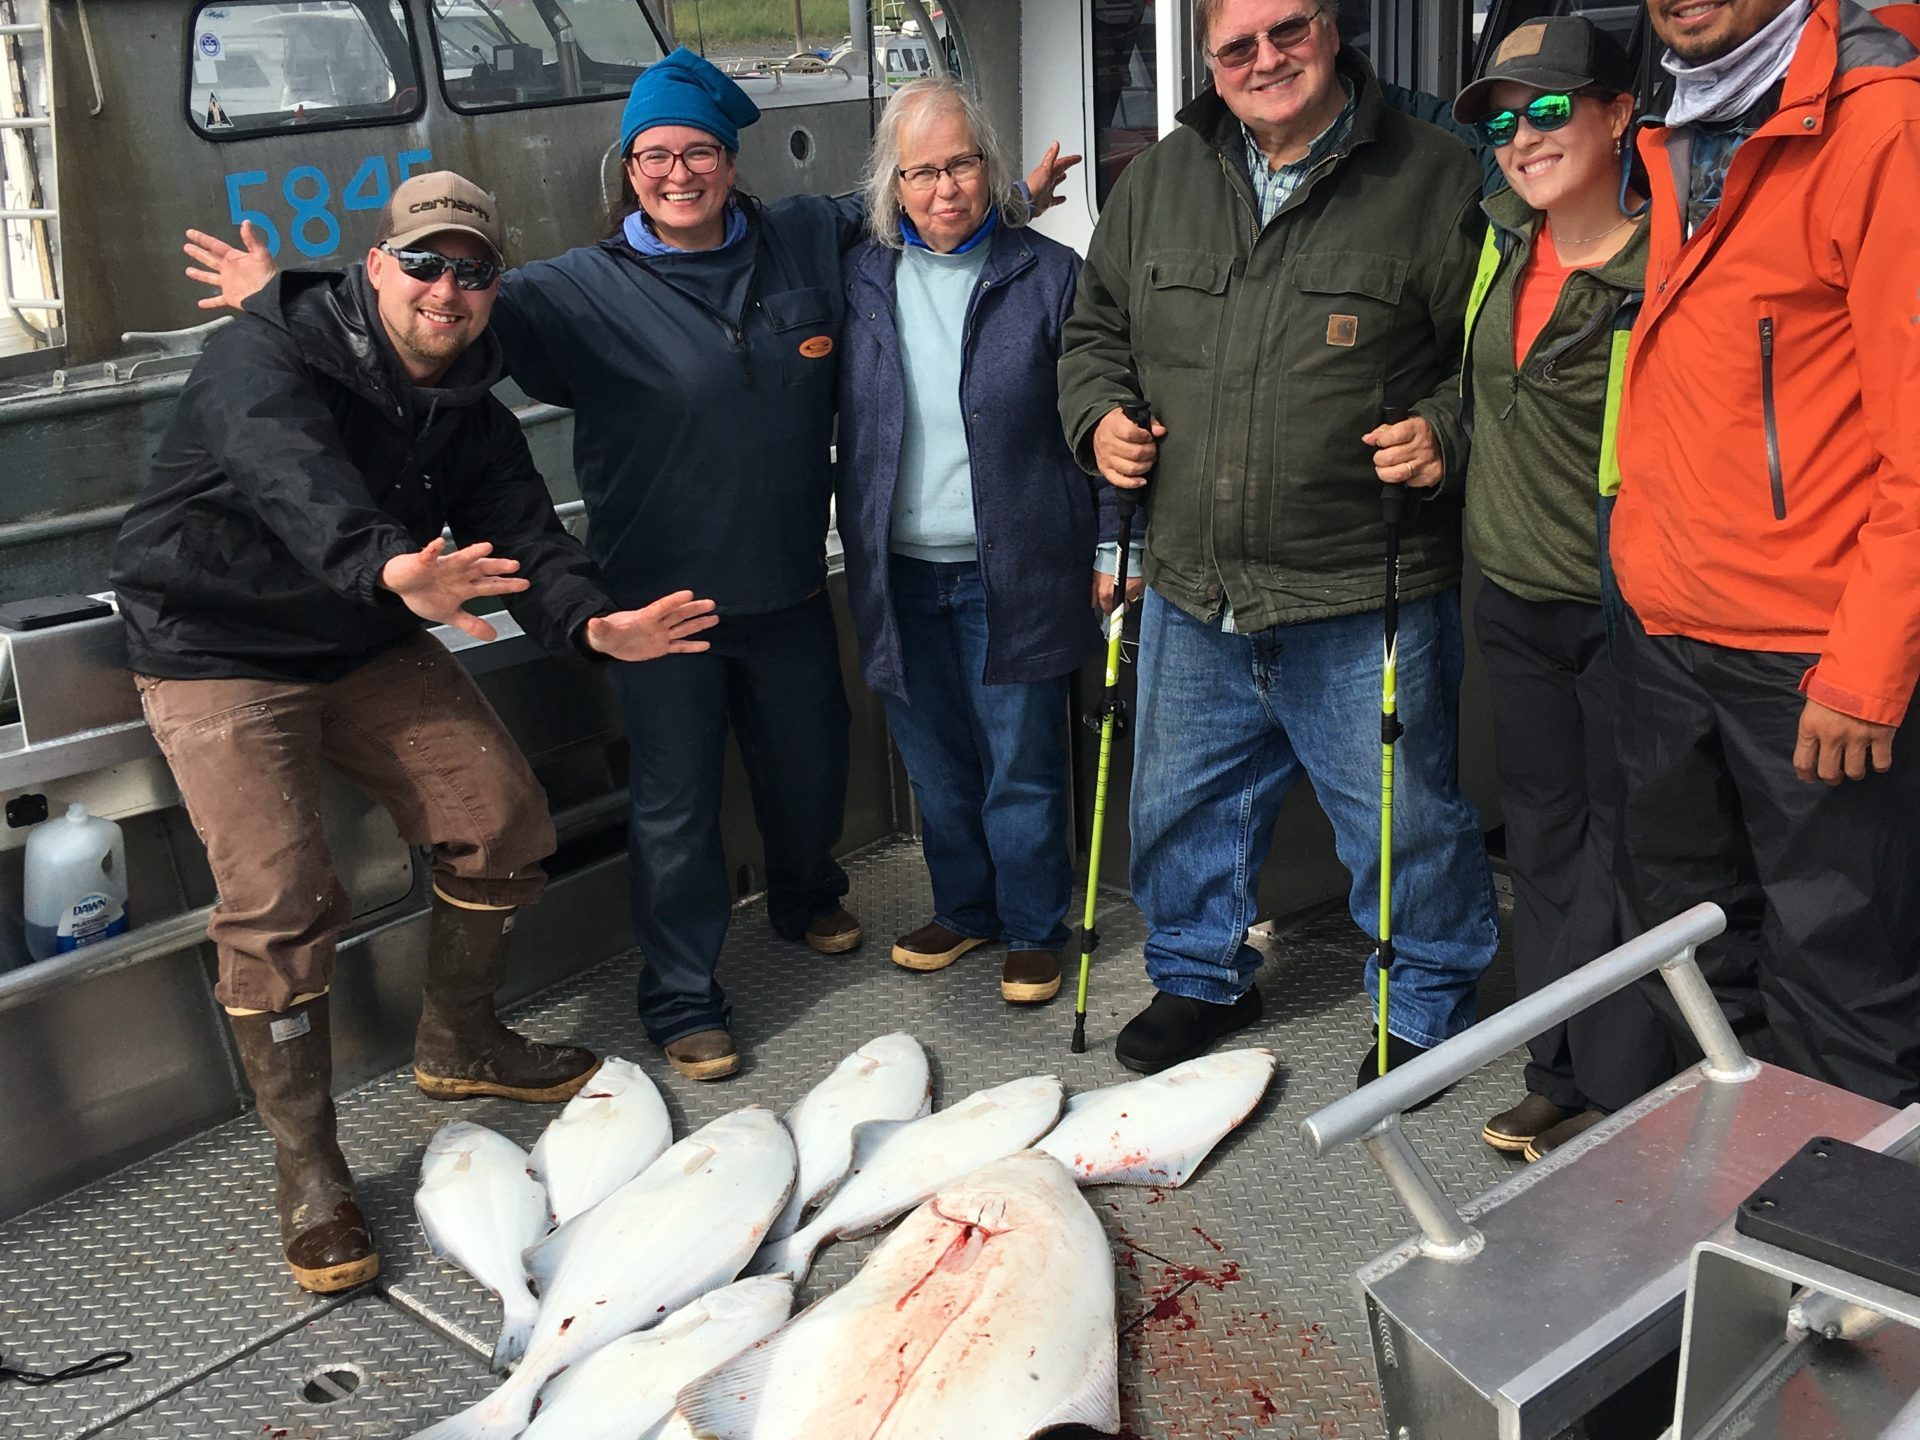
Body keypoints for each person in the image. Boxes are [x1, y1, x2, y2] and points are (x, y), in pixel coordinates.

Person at [188, 49, 1079, 1082]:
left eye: (699, 150)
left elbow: (921, 202)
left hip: (792, 583)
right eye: (655, 155)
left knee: (811, 770)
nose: (679, 172)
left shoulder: (803, 237)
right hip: (657, 604)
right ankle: (683, 999)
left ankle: (805, 900)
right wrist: (285, 300)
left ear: (730, 161)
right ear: (628, 170)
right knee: (676, 806)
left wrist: (1013, 197)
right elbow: (428, 304)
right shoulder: (568, 292)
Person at [113, 172, 718, 1293]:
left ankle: (457, 1041)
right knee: (283, 896)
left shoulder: (470, 410)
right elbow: (281, 465)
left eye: (475, 270)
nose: (449, 288)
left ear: (494, 288)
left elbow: (528, 538)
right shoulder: (265, 348)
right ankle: (310, 1169)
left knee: (500, 819)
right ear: (378, 265)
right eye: (428, 262)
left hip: (362, 630)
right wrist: (385, 565)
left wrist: (596, 626)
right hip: (215, 639)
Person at [1057, 0, 1500, 1079]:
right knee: (1180, 806)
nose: (1268, 59)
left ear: (1334, 28)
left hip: (1361, 583)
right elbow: (1094, 329)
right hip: (1193, 581)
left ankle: (1426, 1003)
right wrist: (1100, 417)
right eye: (1239, 45)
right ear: (1210, 59)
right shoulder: (1161, 176)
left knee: (1405, 821)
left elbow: (1494, 350)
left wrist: (1445, 429)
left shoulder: (1439, 176)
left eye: (1289, 29)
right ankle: (1199, 977)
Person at [1609, 0, 1920, 1106]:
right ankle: (1713, 1212)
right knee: (1689, 962)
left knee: (1841, 982)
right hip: (1669, 629)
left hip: (1810, 656)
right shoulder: (1679, 113)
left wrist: (1869, 671)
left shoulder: (1880, 124)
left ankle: (1830, 1268)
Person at [1448, 18, 1679, 1162]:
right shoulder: (1500, 249)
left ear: (1618, 113)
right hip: (1512, 602)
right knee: (1540, 841)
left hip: (1624, 614)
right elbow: (1476, 399)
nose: (1521, 138)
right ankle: (1556, 1069)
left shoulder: (1664, 265)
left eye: (1548, 109)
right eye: (1501, 119)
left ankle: (1622, 1080)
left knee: (1630, 848)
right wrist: (1430, 436)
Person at [836, 80, 1102, 1005]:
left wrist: (1111, 547)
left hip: (1015, 569)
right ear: (892, 186)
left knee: (1021, 762)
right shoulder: (861, 276)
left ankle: (1035, 925)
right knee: (937, 763)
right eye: (923, 172)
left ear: (989, 169)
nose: (945, 188)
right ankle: (966, 908)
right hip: (897, 571)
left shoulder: (1052, 274)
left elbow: (1096, 419)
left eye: (962, 164)